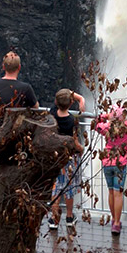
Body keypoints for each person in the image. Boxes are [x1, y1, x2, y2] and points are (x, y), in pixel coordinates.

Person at [94, 105, 127, 235]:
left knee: (111, 192)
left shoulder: (107, 127)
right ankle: (117, 223)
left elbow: (95, 123)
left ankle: (113, 220)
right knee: (118, 193)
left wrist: (104, 116)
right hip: (120, 164)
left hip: (107, 162)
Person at [48, 88, 86, 231]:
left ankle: (54, 219)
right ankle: (69, 217)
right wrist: (81, 99)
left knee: (56, 188)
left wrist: (77, 98)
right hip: (69, 158)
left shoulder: (52, 114)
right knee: (69, 187)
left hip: (55, 156)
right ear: (71, 103)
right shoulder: (71, 121)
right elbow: (74, 141)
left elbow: (61, 93)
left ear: (56, 102)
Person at [0, 51, 38, 121]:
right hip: (14, 128)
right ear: (19, 67)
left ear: (3, 67)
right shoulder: (26, 88)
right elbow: (36, 107)